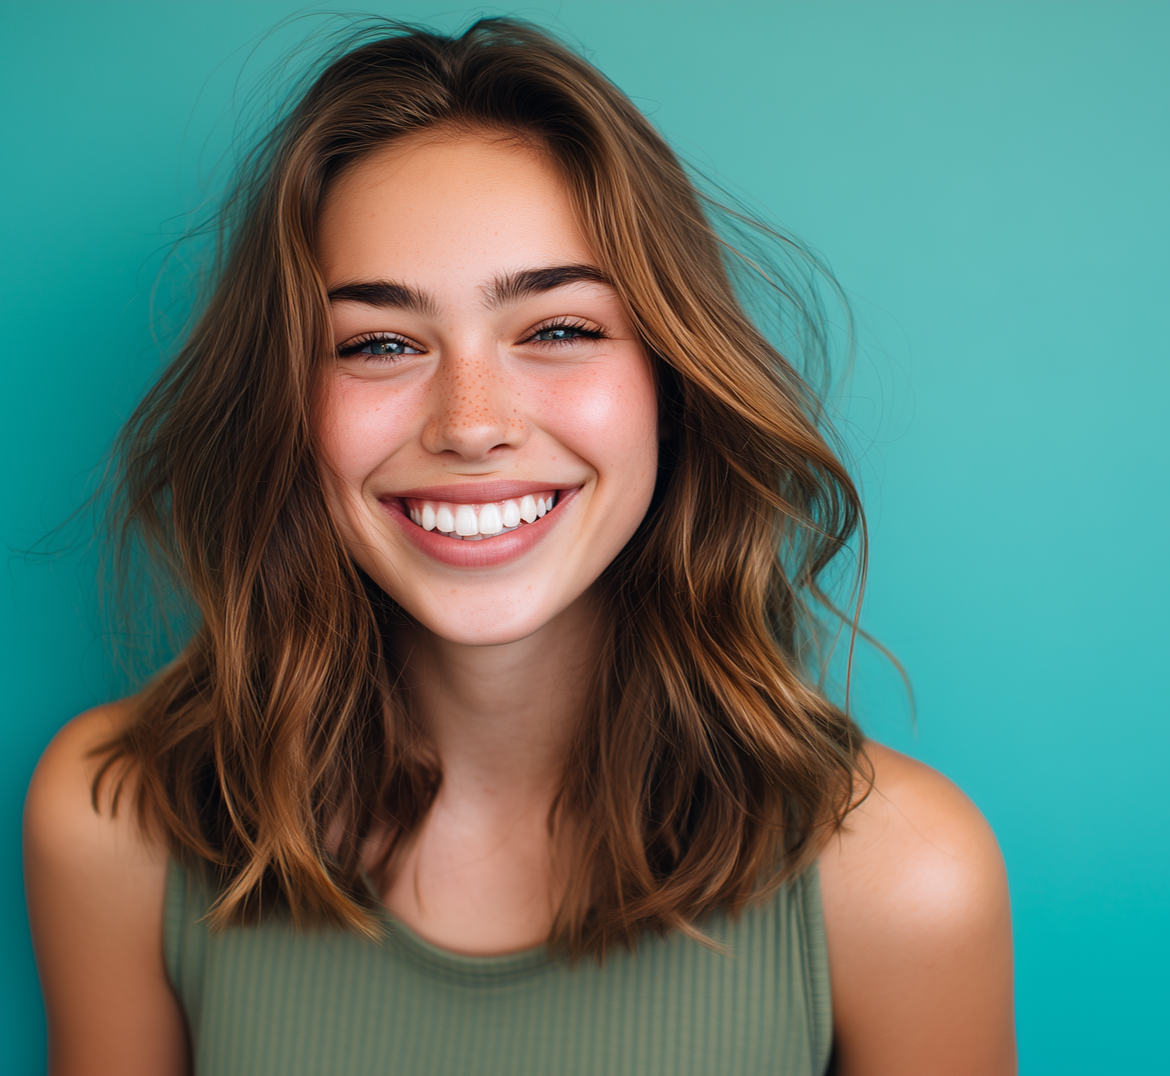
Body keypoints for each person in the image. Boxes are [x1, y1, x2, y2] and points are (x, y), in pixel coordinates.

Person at [23, 18, 1015, 1076]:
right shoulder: (114, 823)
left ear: (670, 386)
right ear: (285, 409)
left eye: (557, 328)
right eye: (379, 343)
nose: (471, 422)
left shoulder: (903, 879)